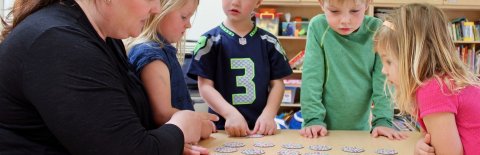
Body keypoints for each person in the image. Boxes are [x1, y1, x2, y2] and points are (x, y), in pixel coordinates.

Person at [0, 0, 217, 154]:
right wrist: (180, 127)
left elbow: (126, 131)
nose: (156, 9)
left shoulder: (107, 40)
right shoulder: (59, 42)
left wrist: (167, 142)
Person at [375, 3, 480, 155]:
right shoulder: (443, 82)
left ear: (412, 58)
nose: (383, 70)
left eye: (389, 61)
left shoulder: (434, 89)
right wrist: (422, 145)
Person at [299, 0, 406, 140]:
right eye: (335, 11)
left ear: (367, 3)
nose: (345, 21)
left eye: (354, 11)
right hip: (318, 129)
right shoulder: (318, 26)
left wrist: (382, 121)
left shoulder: (377, 29)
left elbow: (384, 81)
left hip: (361, 132)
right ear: (321, 3)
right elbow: (311, 78)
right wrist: (312, 119)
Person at [188, 0, 292, 137]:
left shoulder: (270, 42)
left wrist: (269, 114)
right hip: (222, 130)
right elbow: (205, 87)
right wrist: (230, 114)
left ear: (258, 2)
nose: (235, 2)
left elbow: (277, 84)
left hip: (260, 130)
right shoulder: (209, 41)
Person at [127, 0, 200, 126]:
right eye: (183, 17)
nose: (188, 25)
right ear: (158, 12)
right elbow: (163, 114)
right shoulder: (152, 55)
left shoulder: (162, 51)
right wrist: (199, 122)